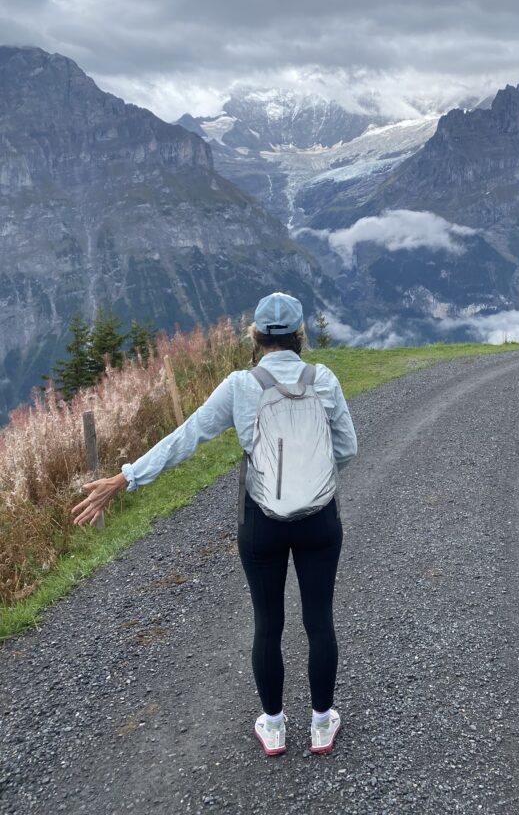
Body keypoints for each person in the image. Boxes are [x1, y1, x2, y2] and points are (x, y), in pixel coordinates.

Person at [72, 292, 357, 756]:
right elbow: (347, 449)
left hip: (260, 522)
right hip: (320, 521)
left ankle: (274, 726)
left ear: (256, 336)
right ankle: (322, 723)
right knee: (318, 621)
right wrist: (312, 479)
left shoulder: (240, 386)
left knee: (268, 623)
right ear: (300, 336)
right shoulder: (323, 379)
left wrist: (125, 478)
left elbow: (187, 437)